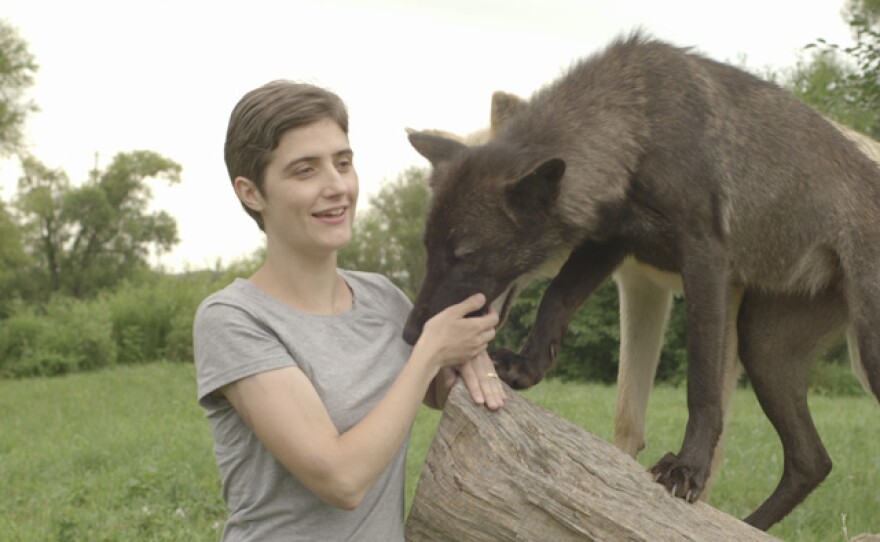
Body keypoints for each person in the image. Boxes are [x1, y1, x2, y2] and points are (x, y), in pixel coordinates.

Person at [193, 80, 506, 541]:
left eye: (343, 163)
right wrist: (430, 353)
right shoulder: (234, 318)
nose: (337, 186)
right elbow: (340, 478)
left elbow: (446, 393)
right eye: (305, 171)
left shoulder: (382, 297)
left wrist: (468, 345)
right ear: (251, 192)